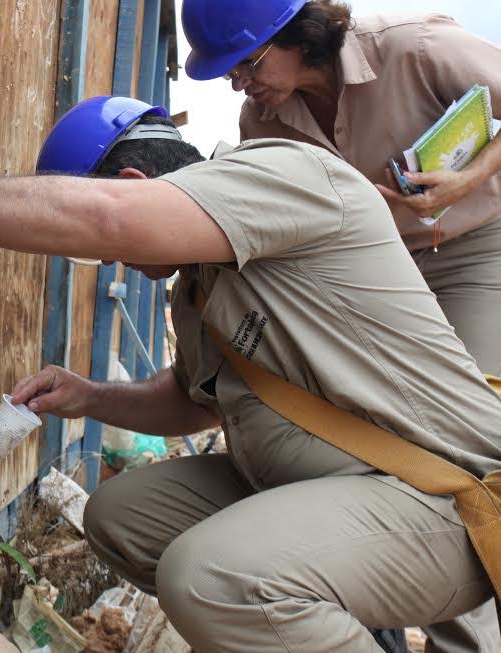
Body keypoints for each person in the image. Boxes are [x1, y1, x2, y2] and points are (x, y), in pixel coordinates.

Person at [0, 96, 500, 652]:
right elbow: (195, 403)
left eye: (112, 252)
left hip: (442, 500)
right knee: (120, 518)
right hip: (330, 490)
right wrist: (87, 394)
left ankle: (279, 606)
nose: (119, 266)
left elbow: (112, 220)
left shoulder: (288, 175)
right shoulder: (193, 287)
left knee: (213, 579)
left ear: (133, 180)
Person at [180, 2, 501, 649]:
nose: (239, 83)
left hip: (474, 248)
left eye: (247, 63)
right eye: (229, 72)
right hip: (378, 276)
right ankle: (361, 595)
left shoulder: (412, 48)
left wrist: (464, 179)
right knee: (388, 444)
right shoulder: (260, 119)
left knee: (464, 450)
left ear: (295, 34)